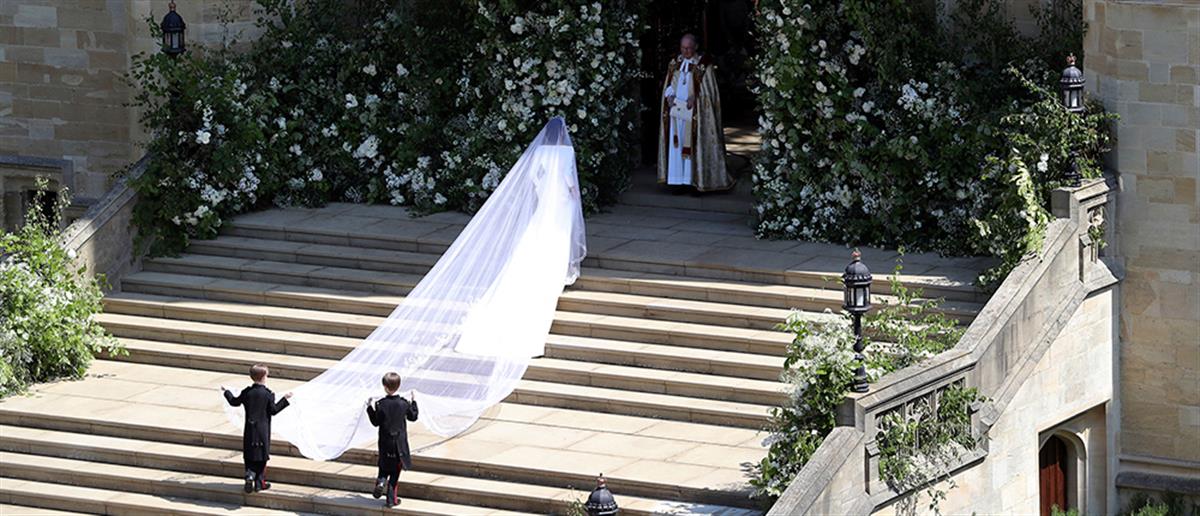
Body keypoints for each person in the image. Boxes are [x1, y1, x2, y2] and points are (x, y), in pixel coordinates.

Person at [658, 33, 734, 193]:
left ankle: (694, 181)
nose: (685, 51)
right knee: (676, 146)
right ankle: (677, 181)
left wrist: (696, 98)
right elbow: (669, 84)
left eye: (689, 48)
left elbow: (709, 92)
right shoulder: (675, 63)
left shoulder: (704, 65)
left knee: (694, 146)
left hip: (696, 115)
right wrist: (669, 96)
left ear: (696, 47)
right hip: (676, 113)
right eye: (683, 48)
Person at [222, 364, 291, 493]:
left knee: (249, 454)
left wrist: (227, 392)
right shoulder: (268, 394)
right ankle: (259, 483)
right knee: (262, 456)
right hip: (262, 430)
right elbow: (274, 410)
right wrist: (285, 399)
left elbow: (234, 402)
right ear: (264, 377)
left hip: (250, 428)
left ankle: (249, 475)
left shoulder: (247, 392)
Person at [367, 372, 419, 507]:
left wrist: (369, 408)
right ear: (399, 386)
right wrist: (414, 402)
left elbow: (375, 422)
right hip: (399, 444)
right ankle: (391, 500)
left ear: (385, 387)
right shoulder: (404, 403)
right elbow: (413, 417)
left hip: (385, 442)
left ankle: (380, 482)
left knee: (384, 466)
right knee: (395, 472)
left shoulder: (380, 404)